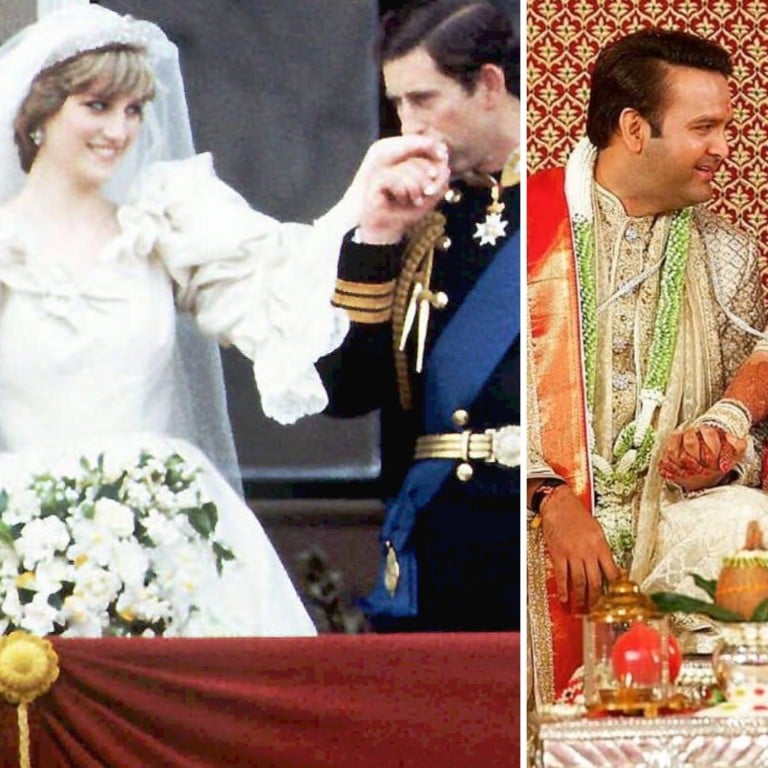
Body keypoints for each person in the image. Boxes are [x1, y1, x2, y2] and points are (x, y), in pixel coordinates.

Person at [0, 5, 448, 639]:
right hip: (21, 544)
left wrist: (362, 208)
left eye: (134, 110)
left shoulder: (163, 223)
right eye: (97, 106)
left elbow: (282, 278)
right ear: (37, 113)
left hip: (163, 541)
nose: (119, 130)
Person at [527, 28, 767, 705]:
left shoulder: (729, 258)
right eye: (704, 128)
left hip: (670, 527)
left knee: (746, 527)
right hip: (533, 526)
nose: (724, 148)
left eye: (725, 127)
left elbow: (751, 440)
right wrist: (547, 496)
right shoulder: (526, 233)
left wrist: (719, 454)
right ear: (635, 129)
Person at [317, 0, 521, 632]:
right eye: (397, 104)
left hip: (548, 530)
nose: (408, 125)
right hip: (444, 541)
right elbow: (345, 393)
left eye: (423, 100)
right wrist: (377, 235)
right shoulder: (415, 214)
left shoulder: (574, 199)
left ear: (489, 85)